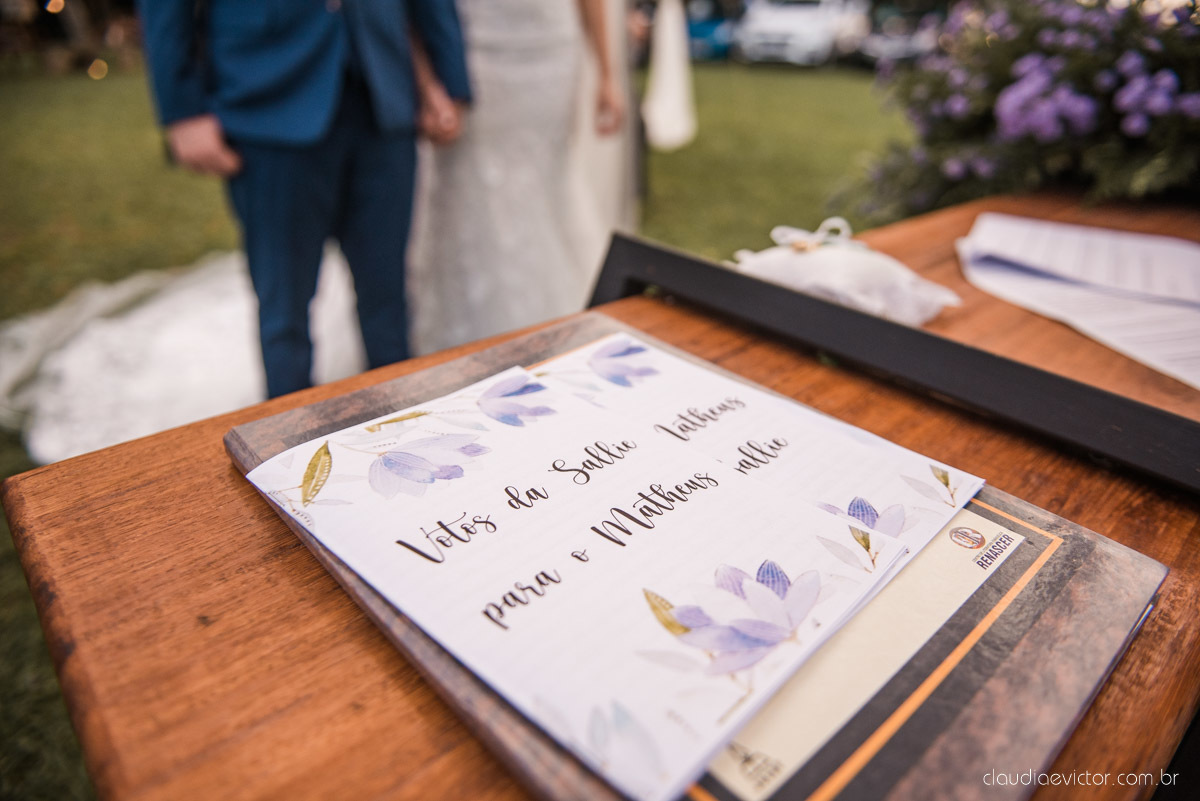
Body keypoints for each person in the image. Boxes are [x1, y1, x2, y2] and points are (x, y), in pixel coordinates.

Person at [136, 1, 471, 397]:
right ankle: (286, 445)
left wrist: (450, 78)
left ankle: (402, 429)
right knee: (285, 309)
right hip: (266, 93)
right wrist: (181, 108)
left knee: (390, 296)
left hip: (382, 89)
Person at [407, 0, 627, 355]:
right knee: (475, 195)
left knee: (547, 189)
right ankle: (474, 337)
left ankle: (561, 323)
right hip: (473, 56)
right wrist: (427, 80)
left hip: (551, 55)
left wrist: (607, 74)